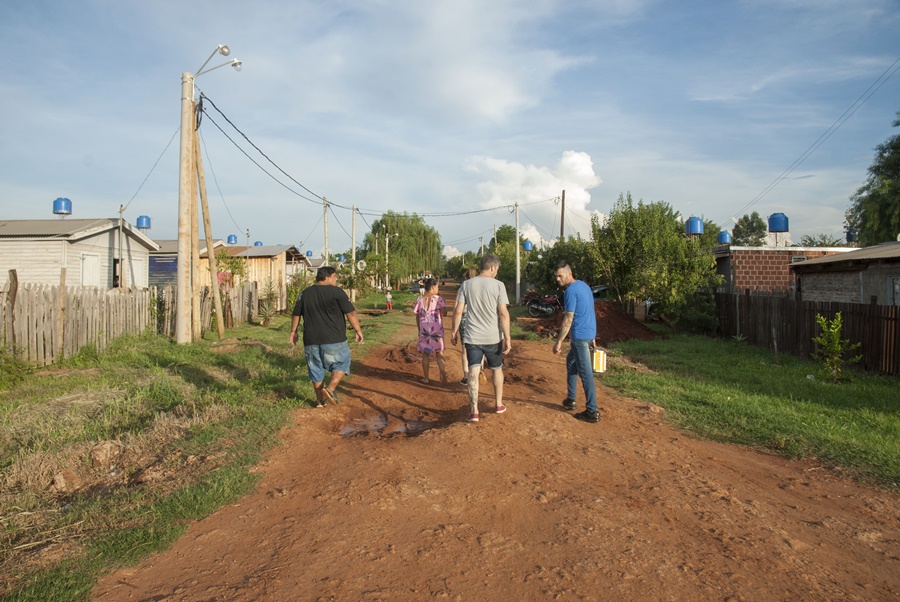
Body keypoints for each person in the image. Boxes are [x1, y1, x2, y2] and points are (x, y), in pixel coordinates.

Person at [289, 266, 364, 407]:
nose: (336, 280)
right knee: (342, 363)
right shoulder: (337, 292)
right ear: (327, 277)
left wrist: (293, 332)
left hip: (311, 339)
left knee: (316, 368)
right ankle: (330, 389)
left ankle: (319, 400)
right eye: (335, 277)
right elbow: (351, 313)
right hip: (334, 338)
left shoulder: (305, 293)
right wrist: (358, 330)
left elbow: (296, 314)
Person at [450, 254, 511, 422]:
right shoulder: (499, 285)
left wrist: (454, 332)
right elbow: (503, 314)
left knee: (473, 371)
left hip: (472, 338)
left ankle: (474, 411)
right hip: (493, 338)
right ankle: (498, 404)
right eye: (497, 269)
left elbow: (458, 311)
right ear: (492, 267)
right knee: (497, 369)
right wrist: (507, 337)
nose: (497, 272)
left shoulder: (466, 285)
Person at [552, 261, 599, 423]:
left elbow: (568, 319)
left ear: (569, 273)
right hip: (588, 333)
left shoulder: (570, 291)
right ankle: (571, 399)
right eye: (556, 276)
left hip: (579, 336)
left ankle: (592, 411)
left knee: (585, 374)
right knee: (571, 361)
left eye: (560, 275)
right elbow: (589, 311)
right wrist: (593, 335)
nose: (558, 279)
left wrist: (559, 341)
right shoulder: (584, 286)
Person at [413, 277, 447, 384]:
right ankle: (442, 372)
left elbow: (417, 315)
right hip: (436, 330)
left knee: (425, 355)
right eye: (437, 286)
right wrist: (443, 302)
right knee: (439, 353)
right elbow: (444, 313)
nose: (438, 288)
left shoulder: (419, 299)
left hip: (424, 331)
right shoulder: (438, 299)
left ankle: (426, 378)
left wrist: (419, 329)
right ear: (432, 287)